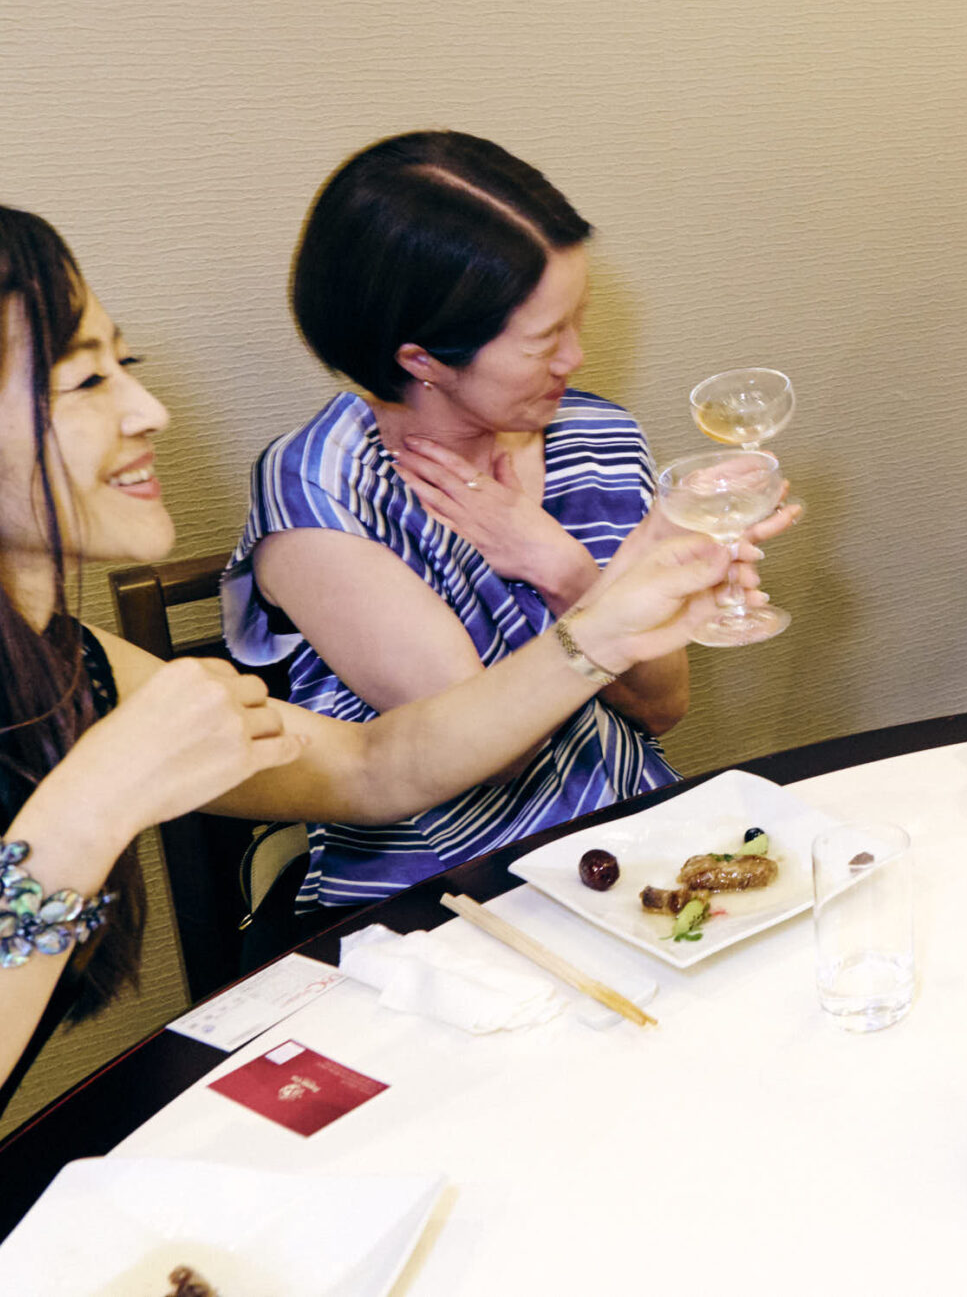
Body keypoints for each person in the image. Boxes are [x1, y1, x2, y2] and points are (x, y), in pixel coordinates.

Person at [0, 198, 745, 1252]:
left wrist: (596, 633)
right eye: (85, 381)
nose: (148, 410)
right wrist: (85, 812)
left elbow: (370, 765)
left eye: (126, 364)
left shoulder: (60, 663)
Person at [225, 132, 793, 911]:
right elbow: (484, 760)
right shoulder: (319, 489)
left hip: (634, 848)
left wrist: (564, 567)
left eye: (577, 319)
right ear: (423, 359)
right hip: (444, 897)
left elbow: (662, 708)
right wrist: (609, 589)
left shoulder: (596, 436)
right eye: (544, 339)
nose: (575, 357)